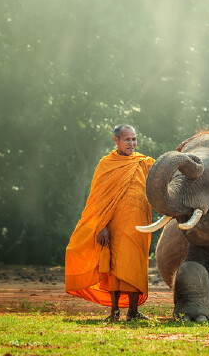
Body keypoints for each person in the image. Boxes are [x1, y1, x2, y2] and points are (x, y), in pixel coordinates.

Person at [65, 124, 155, 321]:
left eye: (134, 139)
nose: (131, 143)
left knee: (135, 266)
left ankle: (133, 311)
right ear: (116, 140)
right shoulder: (106, 164)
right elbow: (98, 199)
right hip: (113, 225)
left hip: (138, 225)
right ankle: (114, 312)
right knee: (114, 268)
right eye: (127, 139)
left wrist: (180, 154)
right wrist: (102, 226)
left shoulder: (144, 162)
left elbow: (162, 177)